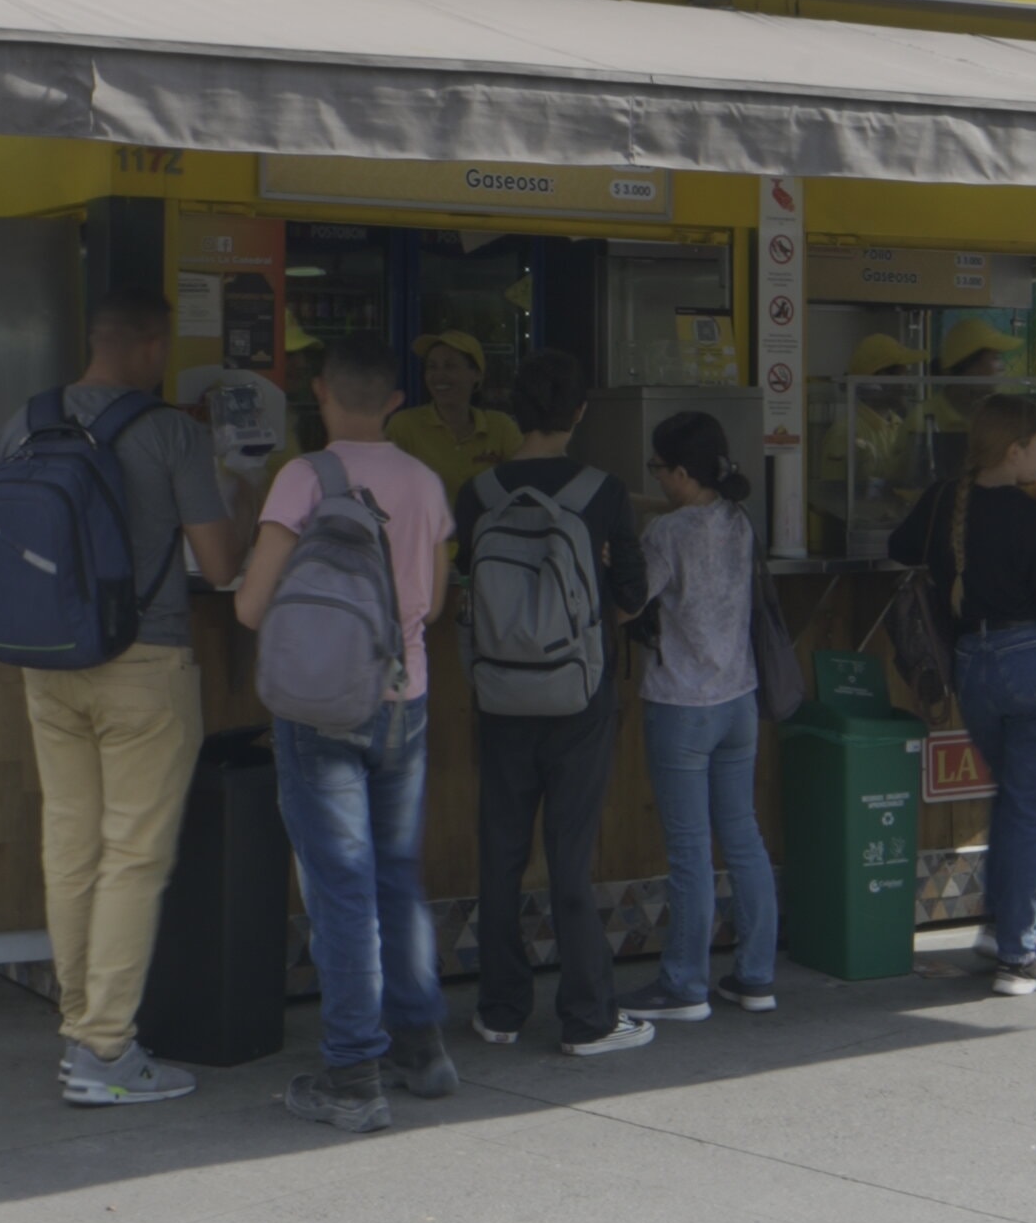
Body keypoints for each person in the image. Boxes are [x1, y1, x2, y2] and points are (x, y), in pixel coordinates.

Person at [0, 287, 242, 1108]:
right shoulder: (171, 430)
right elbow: (222, 564)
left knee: (70, 849)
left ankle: (80, 1030)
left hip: (46, 659)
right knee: (134, 857)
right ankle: (105, 1050)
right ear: (151, 345)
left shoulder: (25, 422)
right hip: (145, 662)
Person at [234, 334, 459, 1131]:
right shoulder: (427, 483)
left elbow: (250, 608)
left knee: (342, 891)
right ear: (395, 400)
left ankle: (353, 1075)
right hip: (406, 701)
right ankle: (422, 1048)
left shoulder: (302, 478)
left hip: (319, 709)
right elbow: (429, 601)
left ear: (321, 393)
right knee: (396, 876)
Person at [457, 345, 658, 1058]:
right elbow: (631, 603)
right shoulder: (602, 491)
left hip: (499, 695)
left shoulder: (478, 492)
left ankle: (501, 1010)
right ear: (578, 411)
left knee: (501, 854)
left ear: (513, 407)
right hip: (578, 697)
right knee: (569, 859)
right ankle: (588, 1018)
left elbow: (466, 593)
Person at [891, 390, 1036, 992]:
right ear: (1015, 449)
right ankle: (1018, 956)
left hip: (972, 665)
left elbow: (899, 547)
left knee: (1013, 802)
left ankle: (1001, 930)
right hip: (1033, 664)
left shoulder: (948, 500)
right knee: (1029, 810)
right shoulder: (1031, 517)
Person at [631, 408, 782, 1021]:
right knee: (743, 837)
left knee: (690, 850)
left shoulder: (667, 536)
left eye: (661, 469)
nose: (659, 479)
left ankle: (684, 983)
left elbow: (627, 602)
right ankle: (755, 975)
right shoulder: (738, 521)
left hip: (681, 706)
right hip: (738, 702)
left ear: (684, 472)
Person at [386, 327, 522, 505]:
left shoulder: (500, 427)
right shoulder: (404, 426)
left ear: (476, 374)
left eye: (450, 366)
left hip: (487, 533)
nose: (438, 376)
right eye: (432, 367)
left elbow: (524, 483)